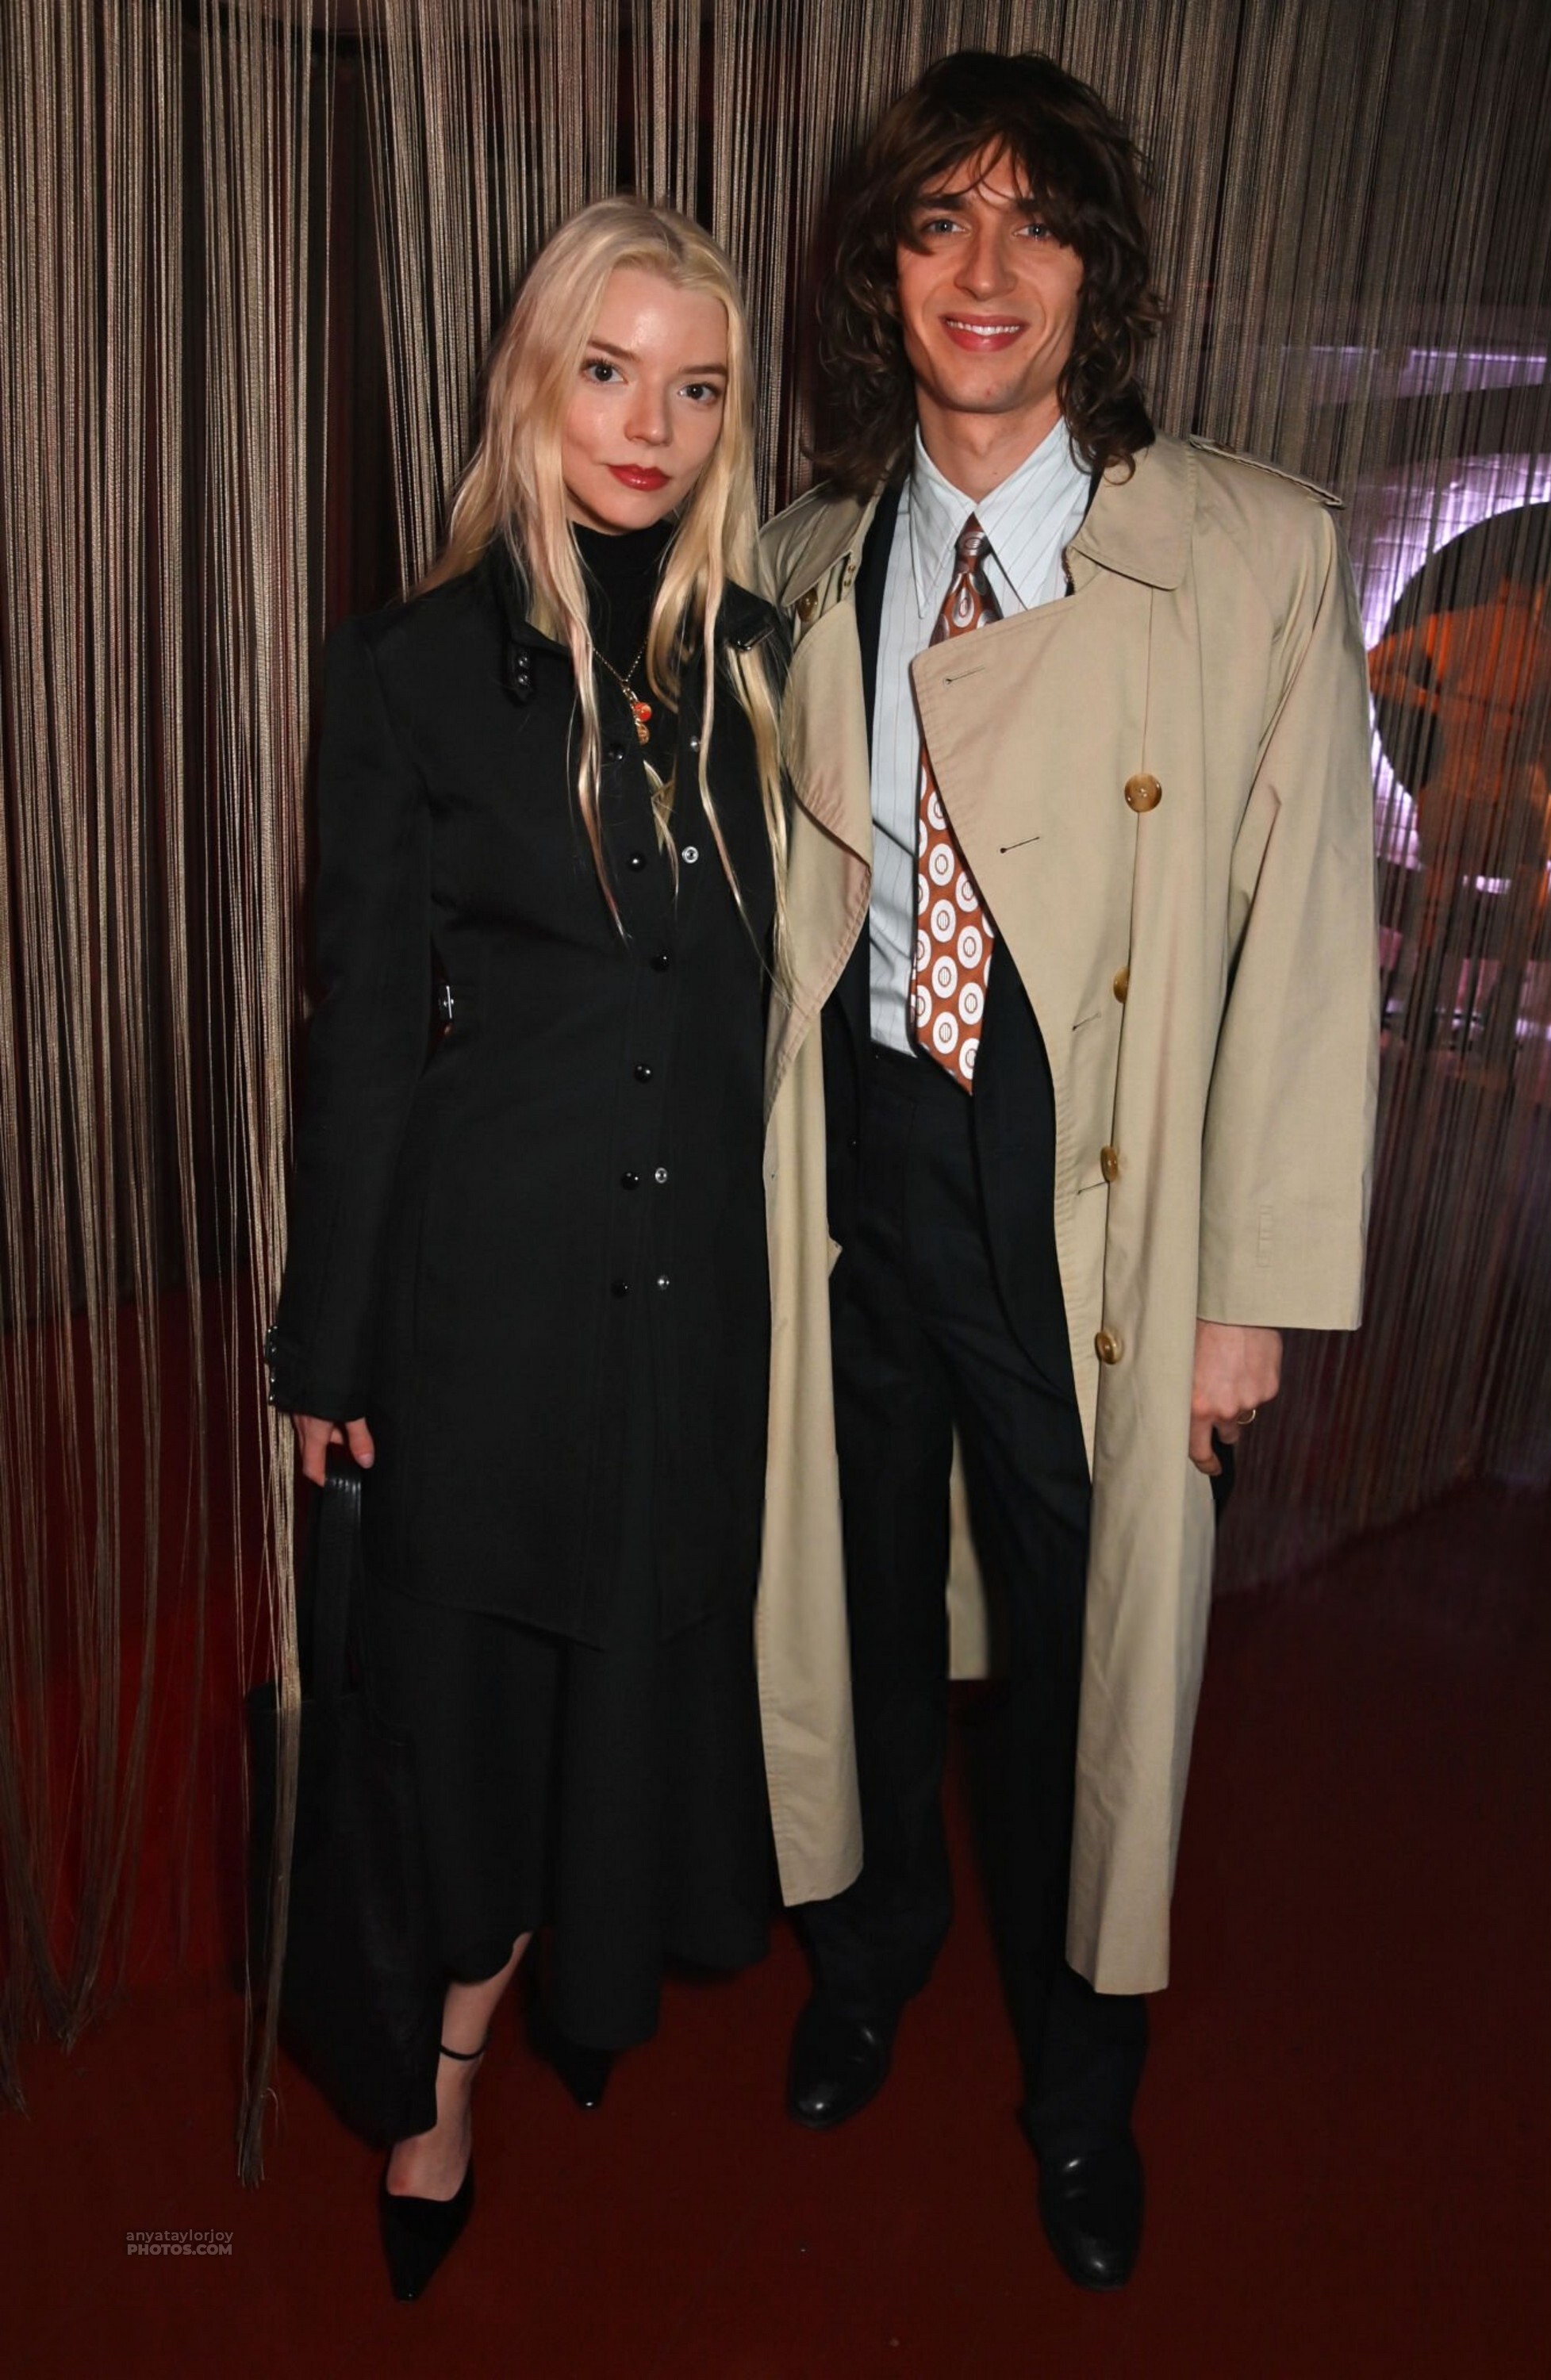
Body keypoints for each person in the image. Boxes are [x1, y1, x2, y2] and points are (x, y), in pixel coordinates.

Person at [756, 50, 1380, 2289]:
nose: (984, 267)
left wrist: (1243, 1293)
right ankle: (863, 1962)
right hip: (858, 1156)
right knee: (846, 1603)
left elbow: (1305, 937)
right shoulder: (806, 557)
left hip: (1090, 1187)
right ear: (880, 271)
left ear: (1096, 274)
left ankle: (1077, 2086)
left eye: (1034, 220)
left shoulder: (1246, 551)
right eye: (937, 219)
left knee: (1082, 1667)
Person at [263, 198, 854, 2302]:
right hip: (487, 1300)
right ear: (533, 379)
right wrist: (328, 1352)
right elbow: (361, 1044)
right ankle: (435, 2085)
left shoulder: (760, 667)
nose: (648, 424)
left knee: (625, 1694)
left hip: (694, 1307)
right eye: (607, 371)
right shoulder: (408, 673)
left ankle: (573, 1995)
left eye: (694, 388)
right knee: (469, 1721)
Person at [1369, 547, 1551, 1073]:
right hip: (1519, 804)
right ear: (1544, 587)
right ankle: (1502, 1009)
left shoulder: (1451, 629)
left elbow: (1373, 668)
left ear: (1498, 578)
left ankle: (1421, 999)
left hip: (1454, 796)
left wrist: (1435, 702)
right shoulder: (1550, 651)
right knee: (1532, 880)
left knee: (1439, 886)